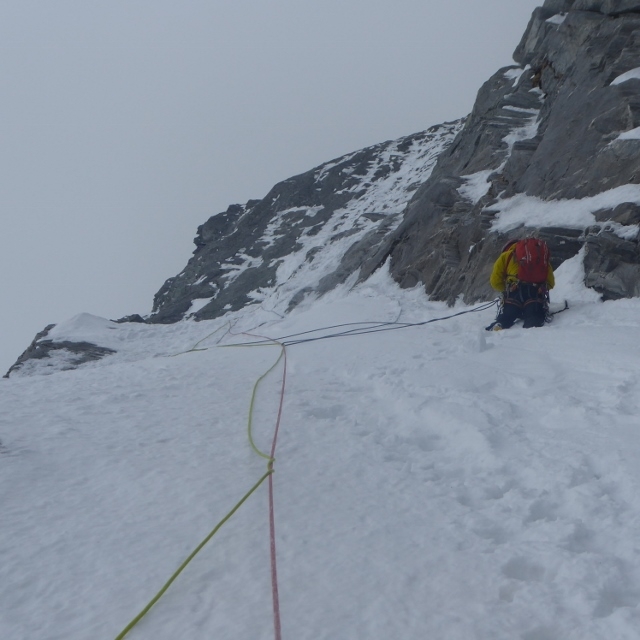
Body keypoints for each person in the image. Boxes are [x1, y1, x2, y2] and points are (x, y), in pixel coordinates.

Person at [487, 239, 555, 331]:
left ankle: (500, 324)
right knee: (534, 317)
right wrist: (542, 289)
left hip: (514, 292)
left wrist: (506, 289)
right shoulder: (540, 257)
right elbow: (550, 282)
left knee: (506, 316)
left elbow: (495, 281)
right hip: (534, 293)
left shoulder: (506, 256)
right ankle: (531, 332)